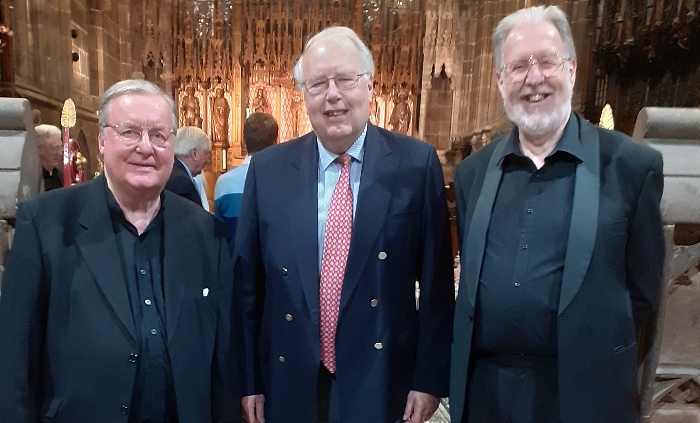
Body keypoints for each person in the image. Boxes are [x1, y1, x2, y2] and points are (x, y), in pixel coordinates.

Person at [449, 6, 665, 423]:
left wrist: (589, 341)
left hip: (581, 393)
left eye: (546, 61)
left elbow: (644, 293)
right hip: (485, 393)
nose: (533, 78)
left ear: (570, 68)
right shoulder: (472, 173)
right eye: (517, 67)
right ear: (499, 80)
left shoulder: (631, 167)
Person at [234, 26, 454, 423]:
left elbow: (437, 288)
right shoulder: (268, 171)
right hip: (289, 375)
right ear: (304, 96)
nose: (332, 94)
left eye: (345, 79)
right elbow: (248, 287)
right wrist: (249, 379)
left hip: (383, 376)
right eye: (318, 83)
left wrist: (429, 378)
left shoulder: (415, 164)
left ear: (369, 85)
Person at [0, 79, 238, 422]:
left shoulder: (204, 230)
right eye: (130, 132)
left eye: (159, 134)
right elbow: (14, 359)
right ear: (101, 140)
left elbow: (222, 356)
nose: (146, 147)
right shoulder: (47, 223)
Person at [214, 112, 278, 251]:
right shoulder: (282, 182)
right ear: (275, 143)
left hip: (233, 265)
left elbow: (220, 233)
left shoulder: (223, 183)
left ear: (244, 141)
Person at [165, 125, 212, 206]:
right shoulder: (182, 182)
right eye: (206, 153)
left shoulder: (171, 170)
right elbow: (191, 217)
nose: (207, 160)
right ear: (195, 154)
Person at [35, 124, 64, 191]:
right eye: (54, 149)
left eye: (60, 147)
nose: (60, 153)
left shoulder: (60, 177)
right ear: (39, 149)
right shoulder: (32, 179)